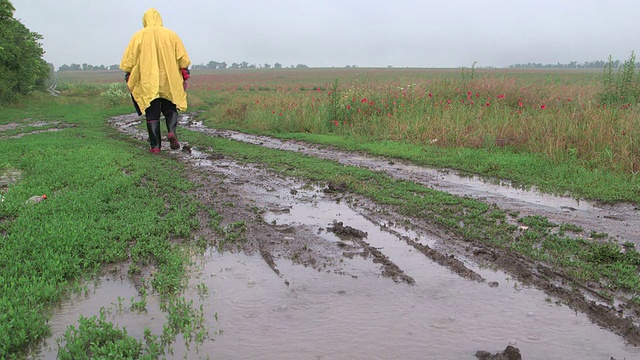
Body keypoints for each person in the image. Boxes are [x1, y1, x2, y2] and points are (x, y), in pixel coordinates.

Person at [120, 8, 191, 153]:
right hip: (169, 80)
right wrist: (183, 71)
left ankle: (156, 147)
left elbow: (128, 61)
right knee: (171, 106)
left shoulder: (138, 36)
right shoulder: (171, 35)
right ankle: (171, 131)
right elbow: (183, 59)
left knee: (152, 112)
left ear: (145, 20)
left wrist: (128, 73)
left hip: (147, 80)